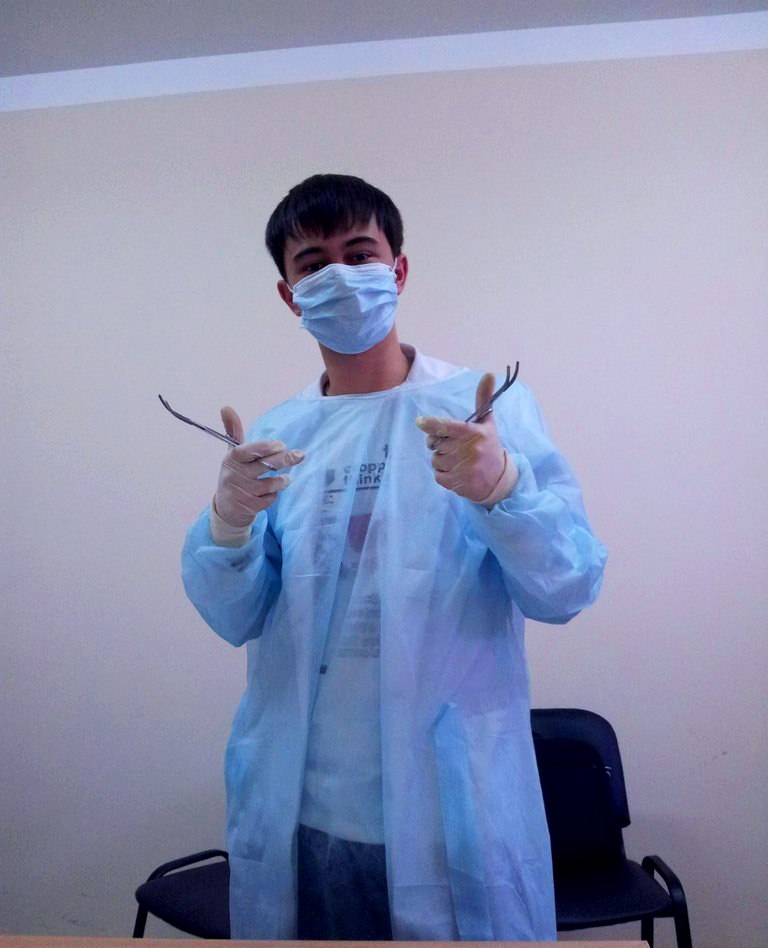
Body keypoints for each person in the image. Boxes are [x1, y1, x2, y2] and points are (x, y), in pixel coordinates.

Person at [182, 173, 607, 941]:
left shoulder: (480, 415)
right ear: (288, 294)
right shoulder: (281, 436)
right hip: (305, 808)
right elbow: (235, 614)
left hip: (450, 810)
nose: (339, 276)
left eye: (359, 253)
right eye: (313, 263)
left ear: (398, 269)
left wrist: (502, 487)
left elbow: (566, 586)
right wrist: (229, 521)